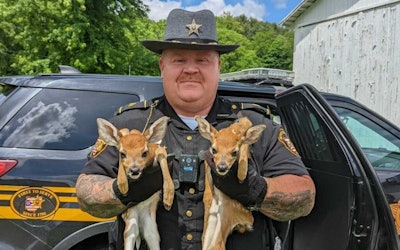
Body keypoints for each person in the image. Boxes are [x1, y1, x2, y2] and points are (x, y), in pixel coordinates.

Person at [76, 8, 316, 250]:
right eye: (179, 59)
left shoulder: (253, 125)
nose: (190, 69)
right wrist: (123, 191)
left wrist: (254, 188)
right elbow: (86, 192)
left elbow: (304, 197)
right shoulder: (130, 125)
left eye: (202, 60)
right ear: (162, 66)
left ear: (218, 66)